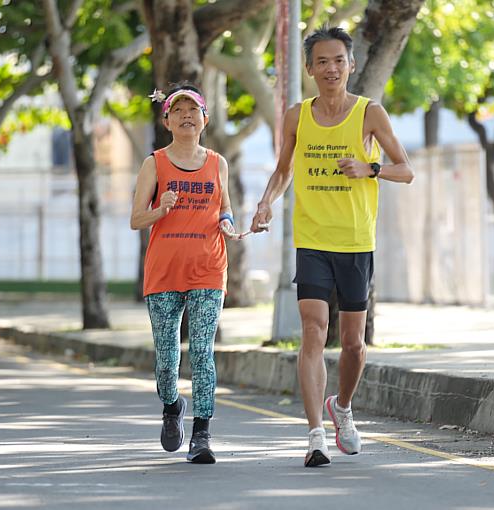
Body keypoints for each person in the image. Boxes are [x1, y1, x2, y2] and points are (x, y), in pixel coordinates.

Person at [251, 26, 415, 467]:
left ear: (351, 65)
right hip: (312, 239)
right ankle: (315, 435)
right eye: (321, 61)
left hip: (355, 241)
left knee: (354, 344)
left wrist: (370, 168)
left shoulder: (369, 113)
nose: (330, 68)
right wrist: (266, 202)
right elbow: (283, 170)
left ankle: (341, 408)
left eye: (338, 60)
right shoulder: (295, 116)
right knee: (312, 331)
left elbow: (406, 169)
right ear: (309, 69)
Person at [130, 83, 240, 464]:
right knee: (166, 360)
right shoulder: (154, 163)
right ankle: (172, 406)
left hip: (208, 268)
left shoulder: (217, 163)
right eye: (178, 110)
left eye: (193, 110)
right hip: (163, 273)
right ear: (167, 120)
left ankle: (203, 434)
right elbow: (135, 219)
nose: (186, 116)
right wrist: (161, 208)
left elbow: (224, 207)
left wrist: (227, 222)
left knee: (203, 351)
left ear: (205, 119)